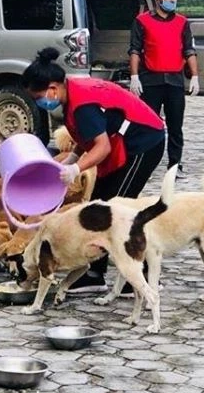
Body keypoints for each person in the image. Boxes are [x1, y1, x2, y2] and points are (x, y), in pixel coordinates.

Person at [22, 47, 166, 293]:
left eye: (38, 97)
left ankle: (138, 276)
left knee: (117, 208)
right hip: (120, 141)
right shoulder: (71, 97)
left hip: (143, 142)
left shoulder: (82, 104)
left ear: (53, 89)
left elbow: (103, 147)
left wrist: (76, 169)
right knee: (98, 204)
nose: (39, 103)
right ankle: (94, 273)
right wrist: (74, 157)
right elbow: (87, 134)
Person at [128, 0, 198, 176]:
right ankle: (145, 161)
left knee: (176, 126)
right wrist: (135, 77)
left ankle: (175, 165)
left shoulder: (182, 22)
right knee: (149, 124)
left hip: (175, 80)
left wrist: (194, 75)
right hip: (151, 80)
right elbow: (134, 50)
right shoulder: (142, 21)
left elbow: (189, 50)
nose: (172, 0)